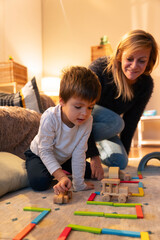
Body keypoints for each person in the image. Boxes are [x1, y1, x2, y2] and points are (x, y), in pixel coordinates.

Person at [86, 29, 159, 172]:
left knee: (119, 162)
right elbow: (82, 111)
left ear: (149, 61)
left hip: (106, 128)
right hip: (82, 120)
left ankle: (96, 144)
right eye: (129, 59)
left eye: (142, 61)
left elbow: (131, 122)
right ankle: (80, 146)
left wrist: (124, 153)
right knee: (117, 122)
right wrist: (93, 155)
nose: (134, 66)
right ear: (120, 55)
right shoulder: (100, 69)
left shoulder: (145, 84)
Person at [25, 66, 103, 195]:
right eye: (78, 107)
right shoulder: (50, 117)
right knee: (40, 182)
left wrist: (79, 184)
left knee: (90, 173)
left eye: (90, 107)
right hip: (39, 155)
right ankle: (56, 171)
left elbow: (79, 152)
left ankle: (60, 170)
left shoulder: (88, 121)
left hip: (64, 157)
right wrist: (61, 176)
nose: (84, 113)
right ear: (61, 100)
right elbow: (45, 150)